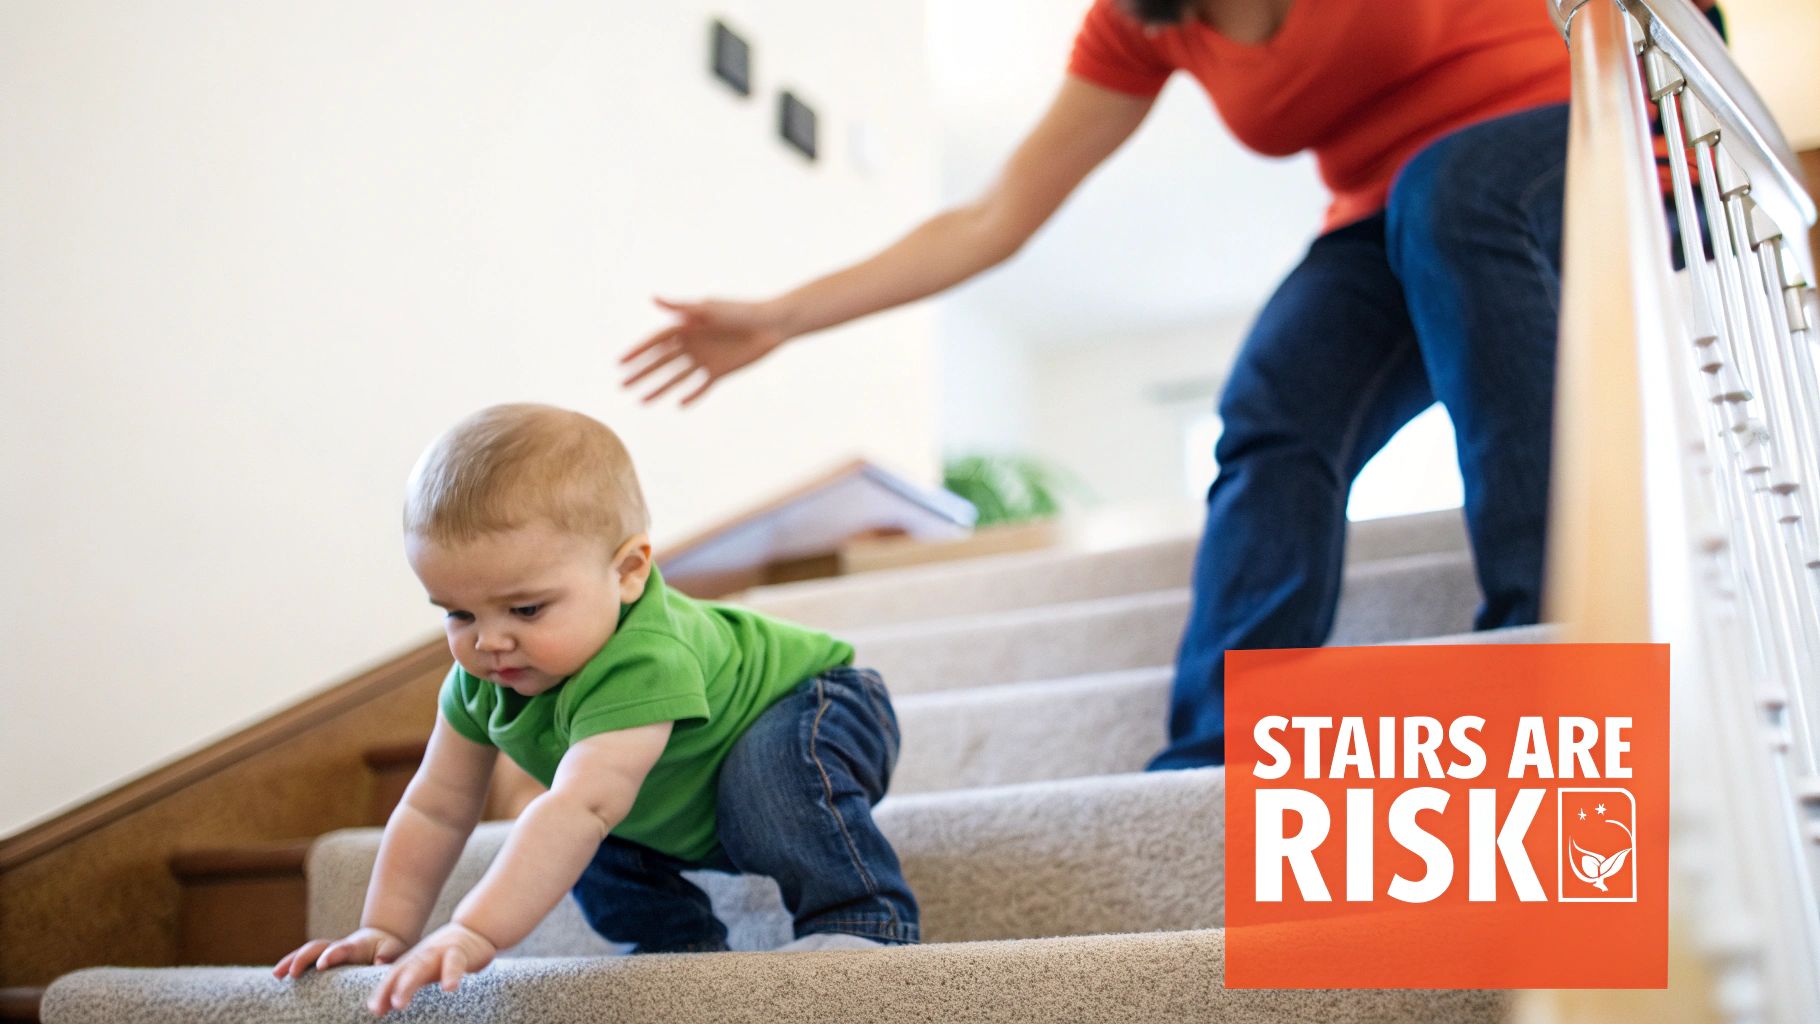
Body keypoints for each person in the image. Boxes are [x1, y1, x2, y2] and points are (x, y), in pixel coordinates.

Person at [621, 0, 1594, 769]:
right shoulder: (1138, 22)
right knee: (1272, 398)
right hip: (1386, 214)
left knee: (1449, 196)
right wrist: (781, 316)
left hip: (1586, 134)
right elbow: (992, 216)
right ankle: (1219, 749)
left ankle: (1541, 631)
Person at [273, 403, 917, 1016]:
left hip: (819, 712)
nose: (489, 641)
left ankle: (861, 920)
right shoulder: (480, 681)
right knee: (573, 824)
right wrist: (386, 927)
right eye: (458, 613)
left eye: (525, 609)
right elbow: (434, 808)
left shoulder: (645, 657)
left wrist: (472, 932)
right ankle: (679, 944)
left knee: (611, 801)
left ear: (630, 572)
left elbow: (581, 806)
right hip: (676, 789)